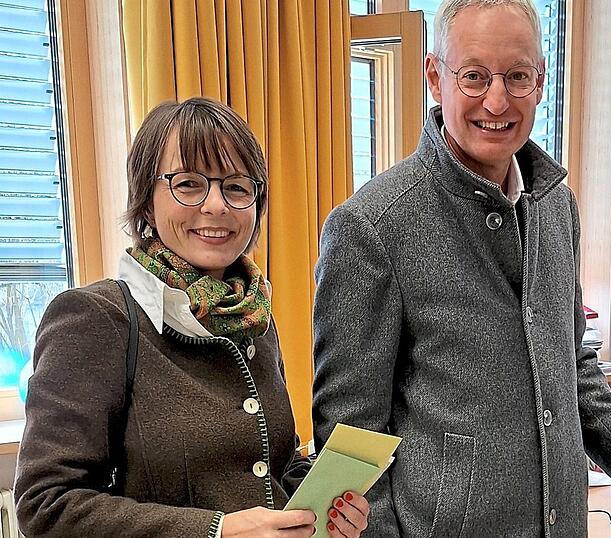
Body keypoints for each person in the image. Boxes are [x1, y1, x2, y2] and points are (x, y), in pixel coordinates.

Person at [311, 1, 611, 536]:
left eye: (517, 76)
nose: (497, 101)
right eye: (474, 76)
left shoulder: (555, 206)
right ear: (435, 77)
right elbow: (350, 438)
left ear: (541, 82)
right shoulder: (372, 226)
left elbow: (572, 369)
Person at [15, 97, 369, 537]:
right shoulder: (96, 318)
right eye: (188, 184)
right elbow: (45, 505)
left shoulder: (252, 316)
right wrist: (215, 531)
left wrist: (325, 509)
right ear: (146, 202)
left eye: (237, 187)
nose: (217, 205)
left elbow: (275, 463)